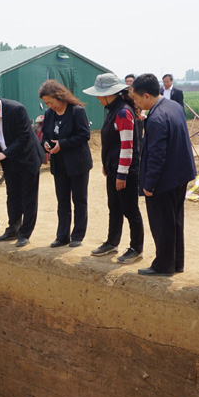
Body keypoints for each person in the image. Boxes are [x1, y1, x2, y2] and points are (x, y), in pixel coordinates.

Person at [132, 73, 196, 276]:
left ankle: (163, 265)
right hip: (180, 174)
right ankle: (176, 262)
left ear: (147, 96)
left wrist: (149, 184)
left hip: (164, 179)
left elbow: (156, 155)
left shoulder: (156, 118)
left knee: (162, 223)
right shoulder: (173, 106)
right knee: (175, 221)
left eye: (136, 98)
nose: (135, 103)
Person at [83, 73, 144, 263]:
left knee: (130, 210)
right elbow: (111, 143)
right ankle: (112, 242)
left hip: (125, 171)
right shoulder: (112, 110)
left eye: (100, 94)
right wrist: (107, 166)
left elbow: (127, 146)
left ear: (111, 93)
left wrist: (122, 174)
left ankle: (136, 248)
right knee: (114, 208)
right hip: (114, 169)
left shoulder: (123, 112)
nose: (97, 97)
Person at [0, 97, 43, 247]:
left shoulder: (17, 110)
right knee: (12, 196)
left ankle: (25, 233)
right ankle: (13, 229)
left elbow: (24, 136)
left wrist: (4, 153)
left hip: (28, 158)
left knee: (28, 197)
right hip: (9, 161)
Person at [39, 80, 92, 248]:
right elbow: (45, 134)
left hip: (77, 163)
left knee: (79, 200)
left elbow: (84, 135)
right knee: (62, 201)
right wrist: (45, 143)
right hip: (59, 163)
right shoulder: (49, 114)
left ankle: (77, 235)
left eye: (51, 102)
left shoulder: (77, 111)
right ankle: (62, 236)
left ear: (59, 96)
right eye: (46, 103)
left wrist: (62, 144)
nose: (49, 105)